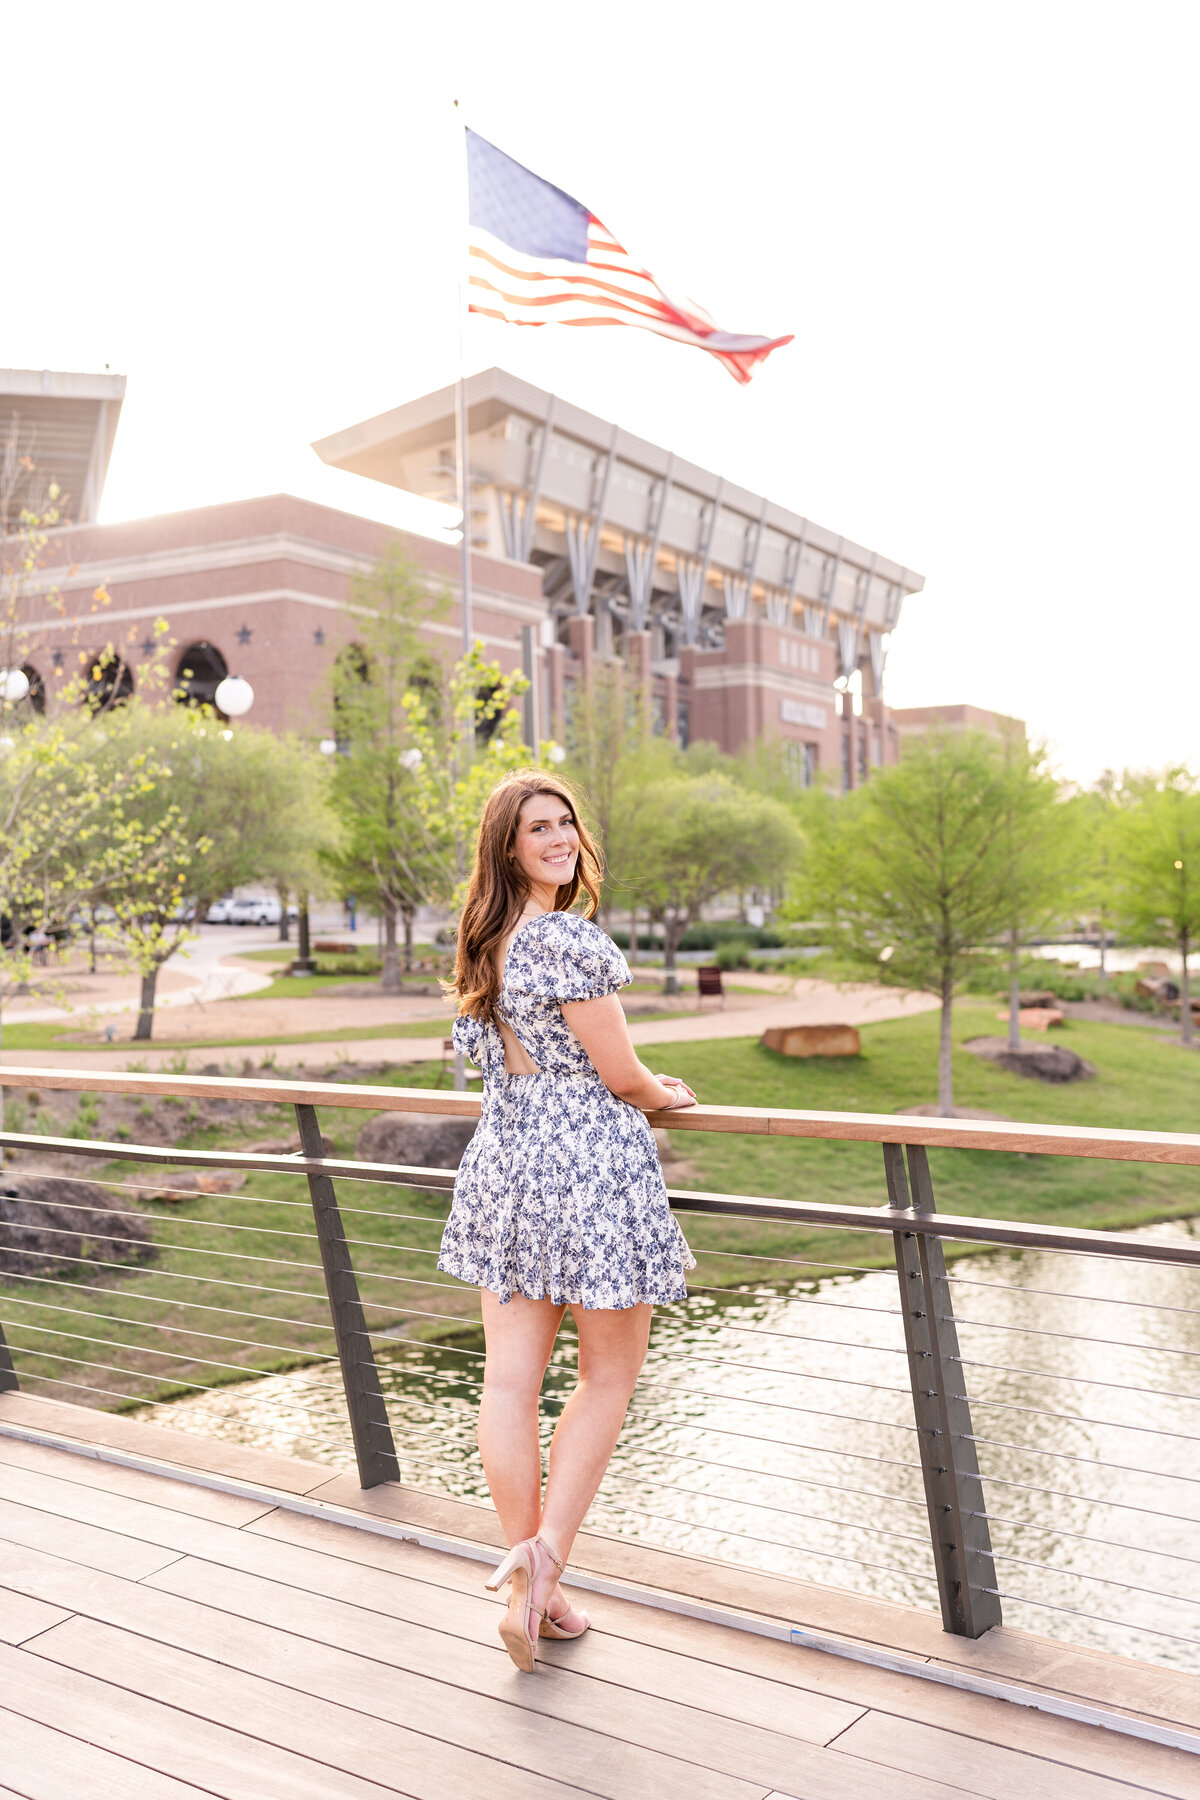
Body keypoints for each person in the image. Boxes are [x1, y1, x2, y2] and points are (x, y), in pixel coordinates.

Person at [439, 768, 697, 1671]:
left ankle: (529, 1588)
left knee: (510, 1382)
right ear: (507, 848)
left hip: (508, 1166)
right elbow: (624, 1078)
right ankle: (543, 1572)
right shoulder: (566, 942)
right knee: (607, 1378)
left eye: (565, 823)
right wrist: (668, 1092)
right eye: (536, 829)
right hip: (585, 1168)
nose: (557, 838)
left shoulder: (487, 943)